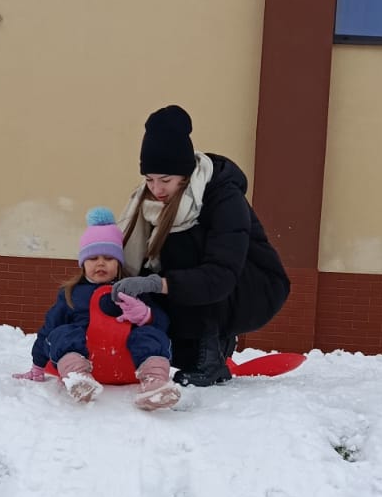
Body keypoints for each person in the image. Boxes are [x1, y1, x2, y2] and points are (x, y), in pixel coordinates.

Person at [111, 105, 290, 386]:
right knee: (162, 268)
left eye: (165, 180)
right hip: (205, 286)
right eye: (149, 179)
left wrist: (155, 284)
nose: (156, 189)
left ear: (184, 174)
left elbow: (220, 275)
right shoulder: (149, 200)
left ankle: (211, 355)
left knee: (181, 243)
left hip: (251, 287)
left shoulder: (224, 197)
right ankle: (199, 347)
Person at [13, 208, 181, 409]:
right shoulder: (71, 293)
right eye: (93, 258)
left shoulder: (132, 289)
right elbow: (49, 328)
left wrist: (145, 315)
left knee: (149, 334)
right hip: (87, 361)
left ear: (118, 263)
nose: (101, 263)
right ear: (83, 263)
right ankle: (79, 379)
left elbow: (163, 324)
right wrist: (37, 366)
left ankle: (155, 383)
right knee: (63, 333)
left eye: (108, 258)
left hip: (128, 364)